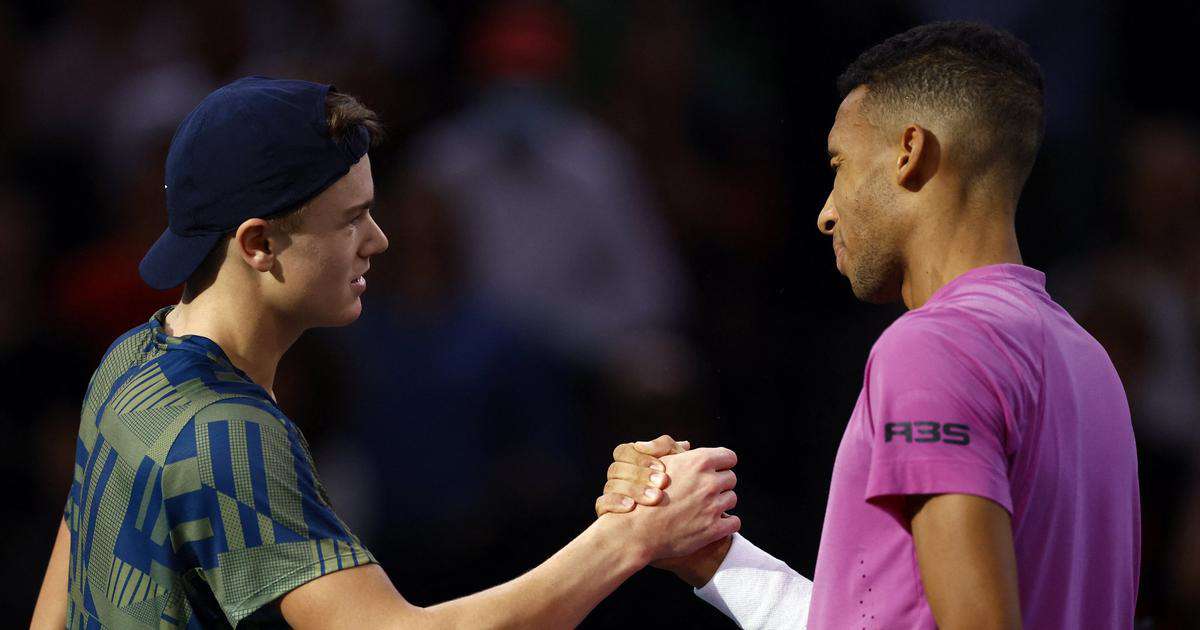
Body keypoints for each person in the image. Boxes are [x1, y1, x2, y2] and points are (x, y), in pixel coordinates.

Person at [30, 76, 740, 629]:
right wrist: (629, 538)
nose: (379, 240)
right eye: (351, 219)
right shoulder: (231, 435)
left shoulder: (130, 360)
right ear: (258, 243)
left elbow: (59, 604)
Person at [597, 21, 1140, 629]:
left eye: (840, 164)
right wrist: (716, 561)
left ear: (909, 152)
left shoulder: (932, 347)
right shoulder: (1091, 362)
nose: (826, 213)